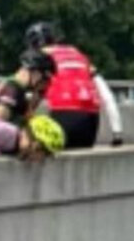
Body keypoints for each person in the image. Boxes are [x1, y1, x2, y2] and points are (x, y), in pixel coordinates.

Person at [25, 21, 124, 149]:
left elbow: (31, 96)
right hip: (91, 123)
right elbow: (107, 96)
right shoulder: (79, 55)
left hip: (63, 116)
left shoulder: (42, 57)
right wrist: (117, 133)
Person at [0, 50, 56, 126]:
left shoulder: (15, 87)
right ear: (35, 72)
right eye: (44, 78)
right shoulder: (12, 90)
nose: (45, 84)